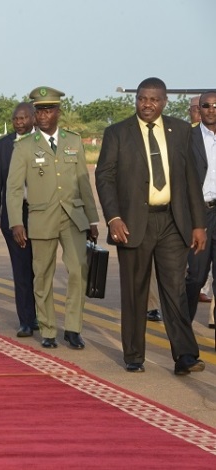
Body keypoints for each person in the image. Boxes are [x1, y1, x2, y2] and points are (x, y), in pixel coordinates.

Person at [95, 77, 206, 374]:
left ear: (165, 101)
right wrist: (113, 217)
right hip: (132, 223)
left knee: (175, 291)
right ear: (136, 100)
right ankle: (133, 355)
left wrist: (198, 224)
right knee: (135, 292)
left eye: (154, 99)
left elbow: (191, 180)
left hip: (172, 220)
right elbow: (104, 178)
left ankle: (184, 356)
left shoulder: (181, 131)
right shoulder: (117, 133)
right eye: (142, 98)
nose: (147, 104)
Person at [7, 86, 99, 350]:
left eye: (48, 110)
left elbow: (84, 183)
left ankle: (73, 328)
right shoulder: (24, 147)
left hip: (73, 217)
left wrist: (92, 220)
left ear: (59, 112)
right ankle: (48, 329)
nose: (43, 115)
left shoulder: (73, 141)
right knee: (42, 275)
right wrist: (16, 222)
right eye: (39, 110)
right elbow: (13, 189)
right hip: (41, 218)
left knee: (79, 270)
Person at [0, 102, 39, 337]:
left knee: (40, 270)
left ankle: (43, 317)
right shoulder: (2, 146)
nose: (19, 123)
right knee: (21, 271)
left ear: (33, 119)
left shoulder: (44, 143)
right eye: (16, 119)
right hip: (13, 217)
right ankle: (27, 320)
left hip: (41, 216)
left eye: (23, 118)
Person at [185, 92, 216, 325]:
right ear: (199, 109)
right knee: (196, 276)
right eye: (206, 105)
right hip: (199, 214)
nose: (211, 110)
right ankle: (184, 329)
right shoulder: (187, 137)